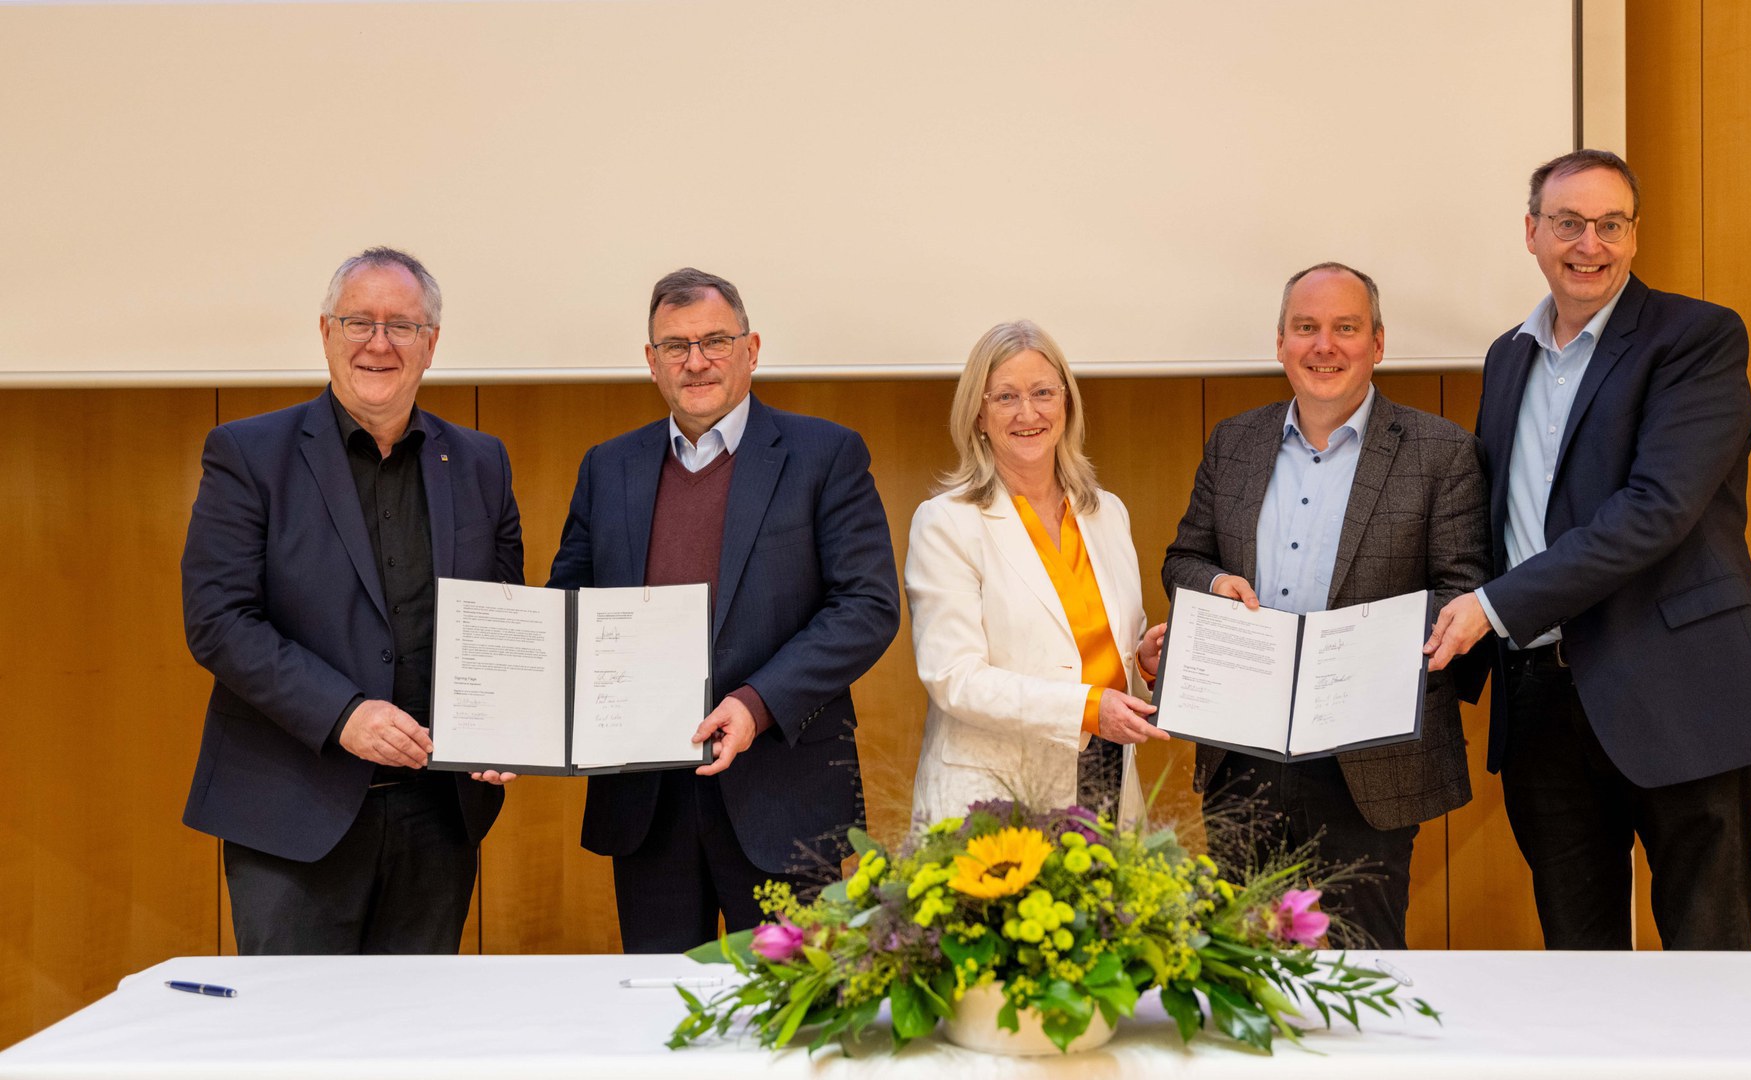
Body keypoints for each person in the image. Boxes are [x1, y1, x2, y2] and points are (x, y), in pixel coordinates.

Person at [1424, 150, 1751, 949]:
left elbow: (1656, 510)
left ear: (1633, 236)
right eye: (1568, 223)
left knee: (1708, 964)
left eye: (1610, 225)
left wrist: (1492, 607)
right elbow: (1499, 520)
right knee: (1579, 965)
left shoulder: (1696, 338)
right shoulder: (1506, 355)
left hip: (1680, 692)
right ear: (1532, 233)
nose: (1588, 243)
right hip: (1544, 707)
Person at [547, 267, 900, 953]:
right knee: (659, 1010)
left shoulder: (824, 454)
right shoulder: (606, 467)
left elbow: (866, 606)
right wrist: (517, 718)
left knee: (792, 1021)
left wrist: (756, 702)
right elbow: (570, 609)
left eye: (715, 339)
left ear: (752, 347)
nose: (696, 360)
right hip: (646, 799)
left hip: (781, 789)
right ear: (651, 363)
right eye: (675, 346)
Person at [180, 246, 522, 954]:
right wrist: (343, 715)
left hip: (438, 813)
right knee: (294, 1046)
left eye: (401, 325)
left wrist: (506, 721)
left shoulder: (482, 463)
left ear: (431, 344)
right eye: (358, 321)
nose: (378, 342)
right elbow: (218, 621)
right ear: (326, 332)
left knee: (414, 1043)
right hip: (291, 813)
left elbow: (504, 616)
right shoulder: (249, 455)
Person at [1163, 263, 1489, 949]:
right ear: (1280, 342)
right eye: (1306, 328)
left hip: (1368, 759)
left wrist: (1378, 642)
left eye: (1345, 328)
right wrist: (1214, 587)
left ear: (1377, 343)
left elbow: (1463, 586)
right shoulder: (1234, 443)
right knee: (1236, 958)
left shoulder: (1440, 451)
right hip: (1241, 748)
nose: (1324, 346)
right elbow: (1184, 560)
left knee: (1358, 964)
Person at [906, 320, 1169, 826]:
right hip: (995, 797)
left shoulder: (1106, 512)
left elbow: (1104, 652)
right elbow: (954, 679)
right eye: (1005, 397)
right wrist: (1085, 709)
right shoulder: (946, 522)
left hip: (1107, 777)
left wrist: (1144, 659)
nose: (1028, 413)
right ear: (978, 415)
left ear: (1066, 404)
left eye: (1043, 392)